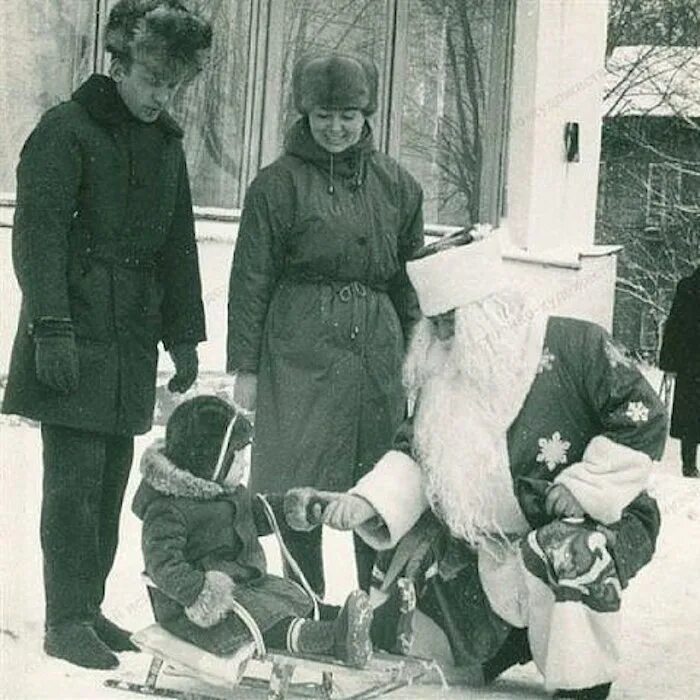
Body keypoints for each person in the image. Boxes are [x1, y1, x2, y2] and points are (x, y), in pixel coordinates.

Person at [290, 230, 668, 699]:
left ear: (489, 310)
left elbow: (643, 414)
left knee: (567, 547)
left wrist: (587, 484)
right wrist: (366, 502)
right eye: (434, 324)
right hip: (488, 544)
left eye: (451, 321)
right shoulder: (441, 377)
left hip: (588, 522)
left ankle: (582, 679)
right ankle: (504, 642)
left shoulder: (576, 345)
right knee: (419, 641)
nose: (441, 335)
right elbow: (417, 454)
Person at [1, 0, 211, 669]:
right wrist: (51, 326)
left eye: (173, 84)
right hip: (73, 328)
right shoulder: (66, 129)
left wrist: (184, 336)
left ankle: (87, 607)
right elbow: (38, 234)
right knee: (72, 483)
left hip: (130, 338)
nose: (161, 95)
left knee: (111, 479)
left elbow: (178, 245)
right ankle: (63, 618)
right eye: (152, 78)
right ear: (116, 64)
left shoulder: (167, 144)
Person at [226, 52, 424, 597]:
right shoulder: (276, 185)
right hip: (298, 351)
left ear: (367, 115)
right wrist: (246, 365)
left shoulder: (398, 186)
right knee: (297, 480)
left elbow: (412, 283)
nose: (336, 127)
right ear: (304, 116)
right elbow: (251, 278)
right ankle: (303, 606)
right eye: (323, 115)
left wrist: (419, 359)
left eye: (348, 115)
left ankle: (376, 607)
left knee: (377, 478)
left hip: (377, 355)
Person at [131, 395, 373, 668]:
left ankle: (354, 624)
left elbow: (256, 514)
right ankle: (329, 639)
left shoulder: (226, 491)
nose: (244, 465)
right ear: (211, 462)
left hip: (246, 585)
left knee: (288, 596)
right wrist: (201, 591)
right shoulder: (167, 510)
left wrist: (294, 508)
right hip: (194, 610)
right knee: (258, 617)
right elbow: (162, 565)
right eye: (237, 460)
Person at [659, 267, 700, 478]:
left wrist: (669, 361)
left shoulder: (687, 286)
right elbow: (674, 325)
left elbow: (673, 325)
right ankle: (689, 465)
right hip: (690, 363)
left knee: (691, 416)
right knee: (691, 416)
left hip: (689, 364)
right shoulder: (687, 287)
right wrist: (669, 362)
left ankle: (689, 465)